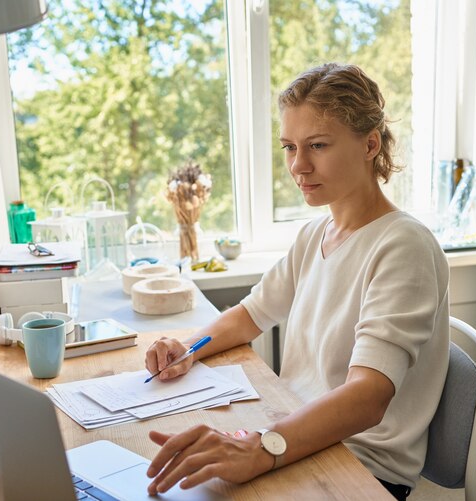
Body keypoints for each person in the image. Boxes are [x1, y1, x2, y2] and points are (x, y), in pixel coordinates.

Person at [144, 63, 449, 501]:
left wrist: (261, 445)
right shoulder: (314, 235)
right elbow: (251, 314)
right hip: (292, 433)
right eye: (289, 147)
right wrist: (187, 350)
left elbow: (368, 396)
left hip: (359, 464)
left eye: (318, 145)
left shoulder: (404, 246)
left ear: (370, 144)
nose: (298, 166)